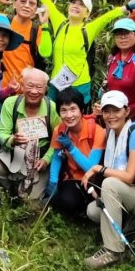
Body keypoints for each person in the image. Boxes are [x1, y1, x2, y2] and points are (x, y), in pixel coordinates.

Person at [20, 0, 135, 106]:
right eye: (73, 3)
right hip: (57, 83)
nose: (76, 6)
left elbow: (108, 16)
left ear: (87, 13)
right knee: (55, 122)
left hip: (79, 84)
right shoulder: (60, 23)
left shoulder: (88, 29)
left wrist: (128, 6)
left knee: (76, 122)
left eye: (81, 5)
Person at [82, 91, 135, 269]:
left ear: (127, 111)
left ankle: (113, 251)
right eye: (106, 111)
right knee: (92, 211)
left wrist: (97, 168)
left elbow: (129, 176)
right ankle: (132, 226)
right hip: (130, 195)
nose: (111, 116)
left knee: (109, 184)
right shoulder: (112, 134)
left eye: (116, 110)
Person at [0, 68, 60, 200]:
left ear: (45, 89)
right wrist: (12, 140)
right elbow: (2, 133)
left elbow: (58, 138)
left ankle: (23, 196)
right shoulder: (11, 103)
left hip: (40, 159)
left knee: (31, 200)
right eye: (30, 86)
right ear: (22, 85)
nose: (34, 91)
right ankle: (9, 195)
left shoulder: (52, 108)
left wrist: (47, 159)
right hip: (15, 154)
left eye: (39, 87)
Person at [45, 87, 106, 215]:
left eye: (73, 109)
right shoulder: (60, 130)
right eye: (64, 110)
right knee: (65, 200)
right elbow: (56, 157)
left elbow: (91, 167)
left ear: (81, 109)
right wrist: (53, 181)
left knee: (68, 202)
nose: (69, 115)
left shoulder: (97, 131)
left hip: (92, 178)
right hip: (72, 177)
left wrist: (71, 148)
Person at [97, 18, 135, 120]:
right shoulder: (112, 58)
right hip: (113, 117)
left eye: (127, 33)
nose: (123, 37)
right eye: (118, 34)